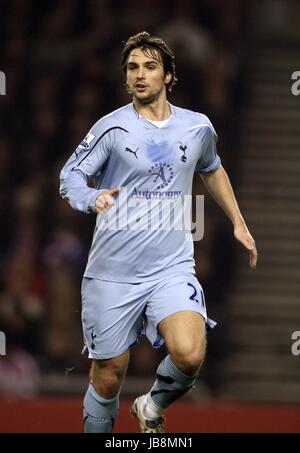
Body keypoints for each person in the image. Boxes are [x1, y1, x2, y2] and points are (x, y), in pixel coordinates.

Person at [59, 31, 257, 433]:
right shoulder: (111, 129)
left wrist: (238, 222)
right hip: (112, 274)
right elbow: (71, 175)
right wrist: (91, 198)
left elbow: (211, 167)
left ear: (168, 76)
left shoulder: (197, 127)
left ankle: (152, 405)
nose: (139, 75)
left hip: (171, 267)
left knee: (189, 353)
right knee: (108, 376)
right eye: (132, 68)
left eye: (150, 67)